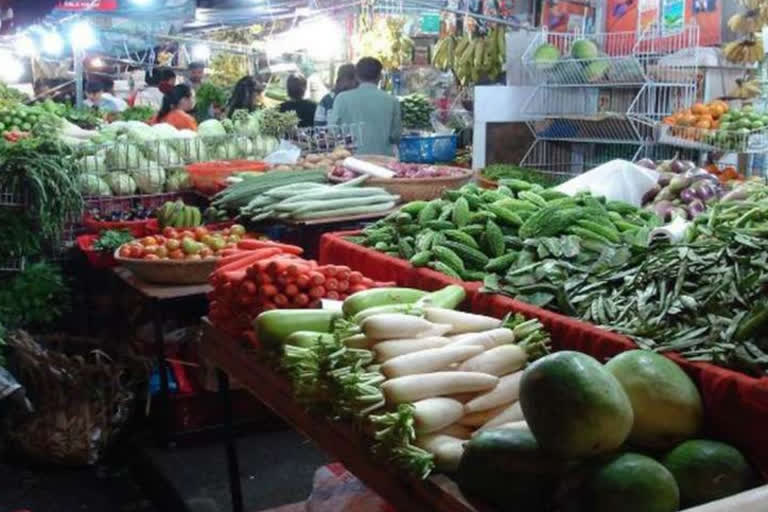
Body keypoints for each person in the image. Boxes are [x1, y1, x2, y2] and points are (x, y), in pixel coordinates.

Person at [329, 57, 401, 156]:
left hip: (351, 160)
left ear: (357, 76)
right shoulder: (392, 101)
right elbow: (396, 136)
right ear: (379, 76)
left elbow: (333, 131)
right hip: (383, 161)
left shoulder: (341, 99)